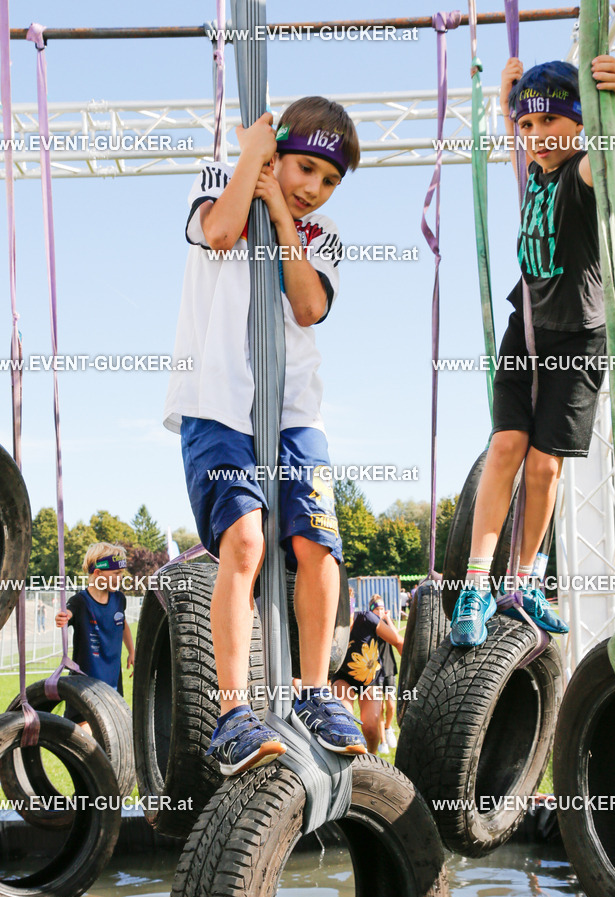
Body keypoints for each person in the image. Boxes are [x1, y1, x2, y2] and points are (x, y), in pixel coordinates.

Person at [163, 97, 367, 775]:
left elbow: (308, 307)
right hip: (215, 404)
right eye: (303, 167)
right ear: (276, 152)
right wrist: (251, 159)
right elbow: (220, 235)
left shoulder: (322, 231)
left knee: (317, 542)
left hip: (294, 413)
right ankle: (231, 714)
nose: (313, 187)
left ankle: (313, 692)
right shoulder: (215, 183)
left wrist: (281, 213)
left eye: (328, 179)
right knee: (244, 541)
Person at [450, 54, 615, 647]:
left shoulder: (579, 173)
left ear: (579, 123)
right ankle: (478, 582)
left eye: (550, 123)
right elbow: (520, 133)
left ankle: (525, 581)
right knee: (506, 446)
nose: (537, 138)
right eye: (527, 128)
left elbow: (609, 163)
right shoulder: (536, 172)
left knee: (545, 464)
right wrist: (509, 104)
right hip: (525, 328)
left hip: (578, 336)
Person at [55, 543, 135, 723]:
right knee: (86, 734)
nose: (120, 578)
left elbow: (122, 624)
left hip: (112, 683)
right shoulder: (80, 602)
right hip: (84, 686)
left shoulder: (119, 599)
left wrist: (132, 651)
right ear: (98, 574)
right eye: (116, 574)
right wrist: (63, 617)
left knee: (113, 731)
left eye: (121, 574)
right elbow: (68, 613)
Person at [333, 588, 404, 755]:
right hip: (343, 678)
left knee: (371, 728)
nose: (344, 623)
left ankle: (372, 757)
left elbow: (398, 642)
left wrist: (414, 671)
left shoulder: (367, 619)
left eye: (347, 618)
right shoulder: (328, 626)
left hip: (370, 680)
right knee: (346, 722)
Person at [370, 596, 399, 753]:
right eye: (377, 609)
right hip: (374, 671)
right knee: (379, 707)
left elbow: (396, 638)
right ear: (371, 610)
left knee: (391, 705)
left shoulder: (387, 623)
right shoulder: (369, 625)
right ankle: (383, 741)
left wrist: (387, 619)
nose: (380, 611)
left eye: (382, 609)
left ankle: (388, 728)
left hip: (388, 668)